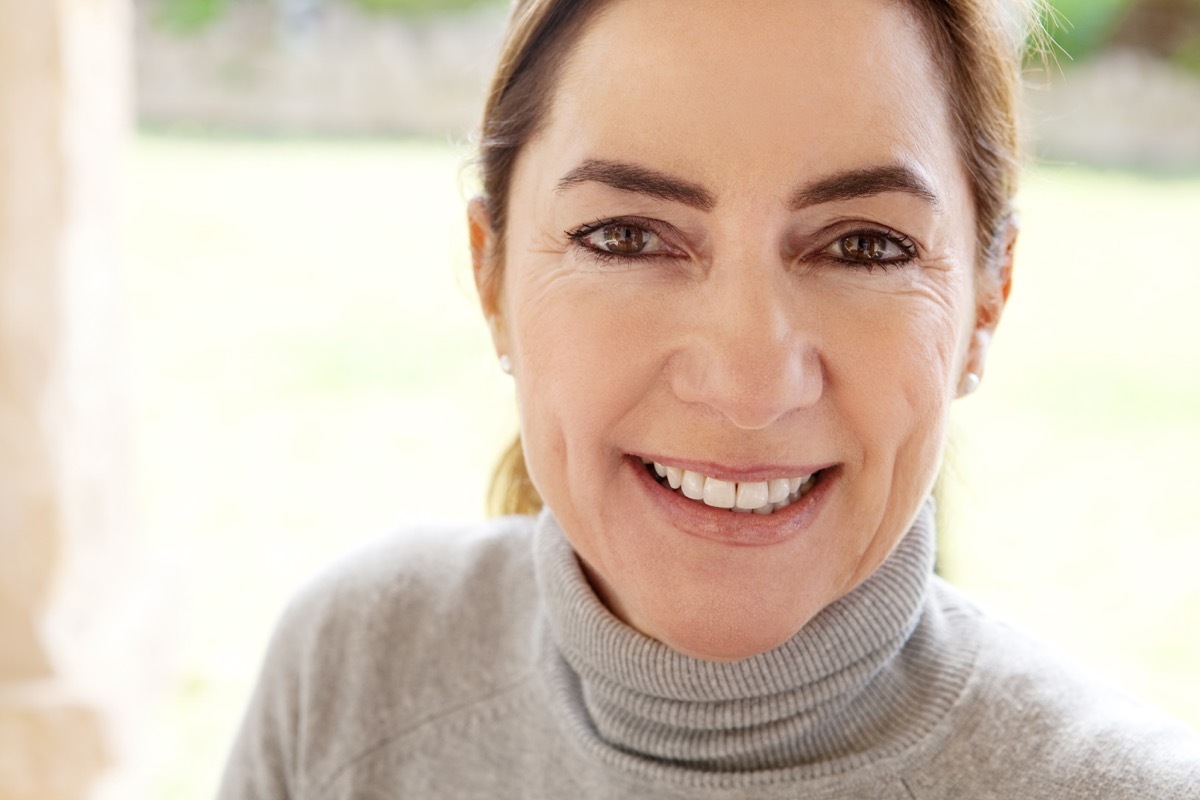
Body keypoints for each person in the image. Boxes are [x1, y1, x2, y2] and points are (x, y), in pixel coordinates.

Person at [218, 0, 1200, 797]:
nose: (747, 385)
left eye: (863, 244)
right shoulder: (355, 672)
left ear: (987, 300)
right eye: (627, 236)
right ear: (491, 277)